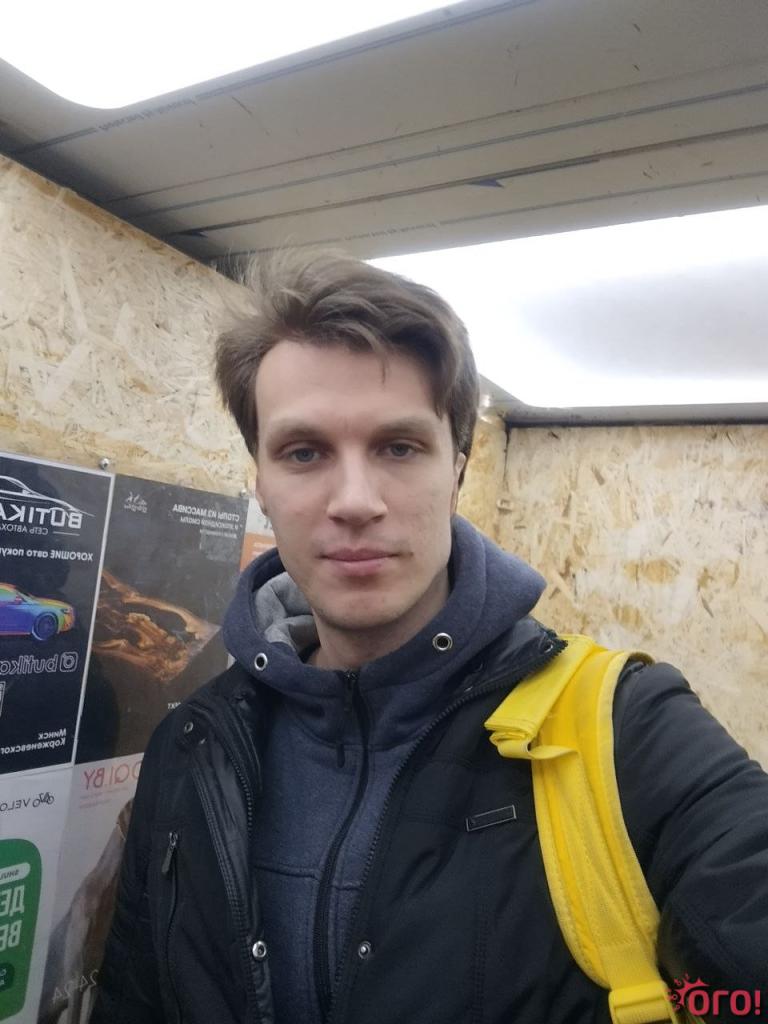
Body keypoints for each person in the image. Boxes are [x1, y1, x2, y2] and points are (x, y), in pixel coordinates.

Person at [92, 253, 768, 1024]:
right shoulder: (193, 746)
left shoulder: (628, 732)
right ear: (262, 485)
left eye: (399, 447)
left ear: (458, 471)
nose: (354, 501)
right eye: (304, 452)